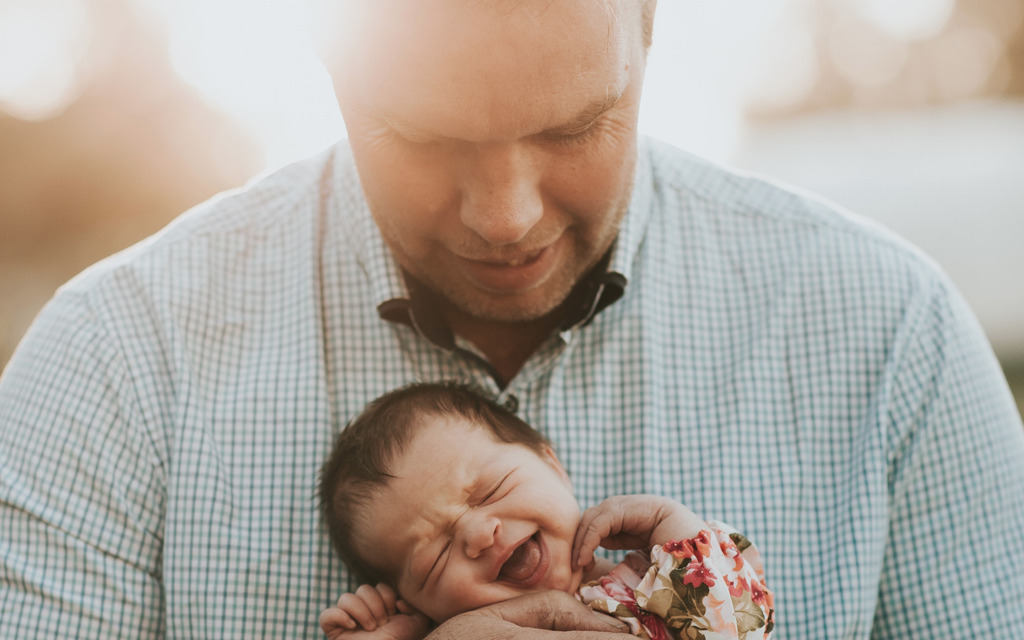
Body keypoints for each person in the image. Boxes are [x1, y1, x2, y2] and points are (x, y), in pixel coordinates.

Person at [0, 0, 1022, 637]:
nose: (506, 217)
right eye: (421, 136)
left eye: (574, 125)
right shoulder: (116, 362)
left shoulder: (892, 337)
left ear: (652, 21)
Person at [316, 382, 774, 640]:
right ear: (413, 601)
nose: (478, 533)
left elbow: (741, 629)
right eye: (435, 558)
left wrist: (669, 524)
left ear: (551, 465)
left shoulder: (653, 575)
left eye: (491, 489)